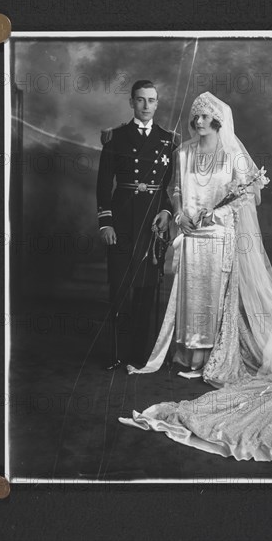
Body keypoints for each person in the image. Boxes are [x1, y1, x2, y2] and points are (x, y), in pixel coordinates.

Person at [119, 92, 272, 464]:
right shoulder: (183, 152)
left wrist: (217, 214)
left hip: (220, 235)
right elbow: (174, 190)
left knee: (215, 296)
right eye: (195, 118)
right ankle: (187, 357)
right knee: (188, 295)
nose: (199, 123)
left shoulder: (232, 153)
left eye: (205, 118)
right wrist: (179, 214)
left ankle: (210, 360)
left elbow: (248, 193)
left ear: (219, 122)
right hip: (190, 234)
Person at [96, 80, 176, 370]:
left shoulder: (169, 140)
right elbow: (104, 183)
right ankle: (117, 354)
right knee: (119, 288)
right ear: (131, 102)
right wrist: (105, 223)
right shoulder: (116, 137)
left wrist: (167, 212)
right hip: (121, 220)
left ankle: (140, 355)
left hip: (151, 224)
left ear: (157, 103)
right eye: (140, 100)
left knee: (145, 290)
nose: (145, 106)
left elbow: (171, 187)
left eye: (151, 100)